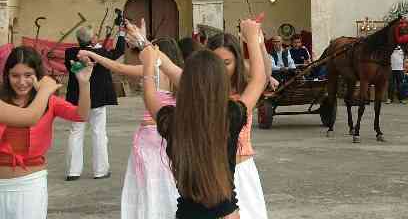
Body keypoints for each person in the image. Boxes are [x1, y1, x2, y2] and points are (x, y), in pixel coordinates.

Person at [134, 17, 266, 219]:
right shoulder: (230, 116)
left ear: (185, 82)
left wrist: (148, 68)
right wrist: (251, 39)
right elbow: (259, 79)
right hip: (227, 214)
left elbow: (150, 95)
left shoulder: (172, 121)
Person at [78, 25, 183, 219]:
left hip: (150, 136)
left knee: (148, 183)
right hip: (171, 136)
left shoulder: (151, 69)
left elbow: (117, 67)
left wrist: (92, 55)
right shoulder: (179, 75)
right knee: (168, 181)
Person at [0, 47, 93, 219]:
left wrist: (84, 83)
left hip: (30, 185)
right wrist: (44, 91)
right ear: (6, 75)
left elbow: (81, 115)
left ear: (38, 75)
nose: (21, 82)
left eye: (28, 75)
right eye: (15, 75)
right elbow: (30, 117)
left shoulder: (49, 102)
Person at [207, 31, 272, 219]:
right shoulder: (202, 89)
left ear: (237, 62)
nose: (220, 68)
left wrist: (258, 41)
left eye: (226, 63)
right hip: (213, 171)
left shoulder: (245, 89)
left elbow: (264, 75)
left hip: (242, 170)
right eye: (215, 62)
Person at [64, 24, 125, 181]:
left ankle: (73, 172)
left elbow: (75, 65)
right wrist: (122, 34)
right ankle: (100, 170)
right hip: (98, 99)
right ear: (92, 39)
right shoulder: (101, 53)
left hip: (76, 99)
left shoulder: (70, 52)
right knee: (99, 133)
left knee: (75, 133)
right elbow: (118, 52)